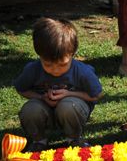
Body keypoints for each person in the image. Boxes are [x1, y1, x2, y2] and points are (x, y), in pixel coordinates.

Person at [14, 18, 103, 151]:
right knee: (30, 109)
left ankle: (75, 139)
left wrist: (69, 94)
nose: (55, 69)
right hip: (45, 108)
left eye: (62, 64)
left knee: (68, 106)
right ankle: (39, 141)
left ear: (72, 53)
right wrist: (42, 97)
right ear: (39, 55)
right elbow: (21, 89)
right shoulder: (33, 69)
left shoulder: (82, 72)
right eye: (48, 64)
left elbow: (97, 95)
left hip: (73, 110)